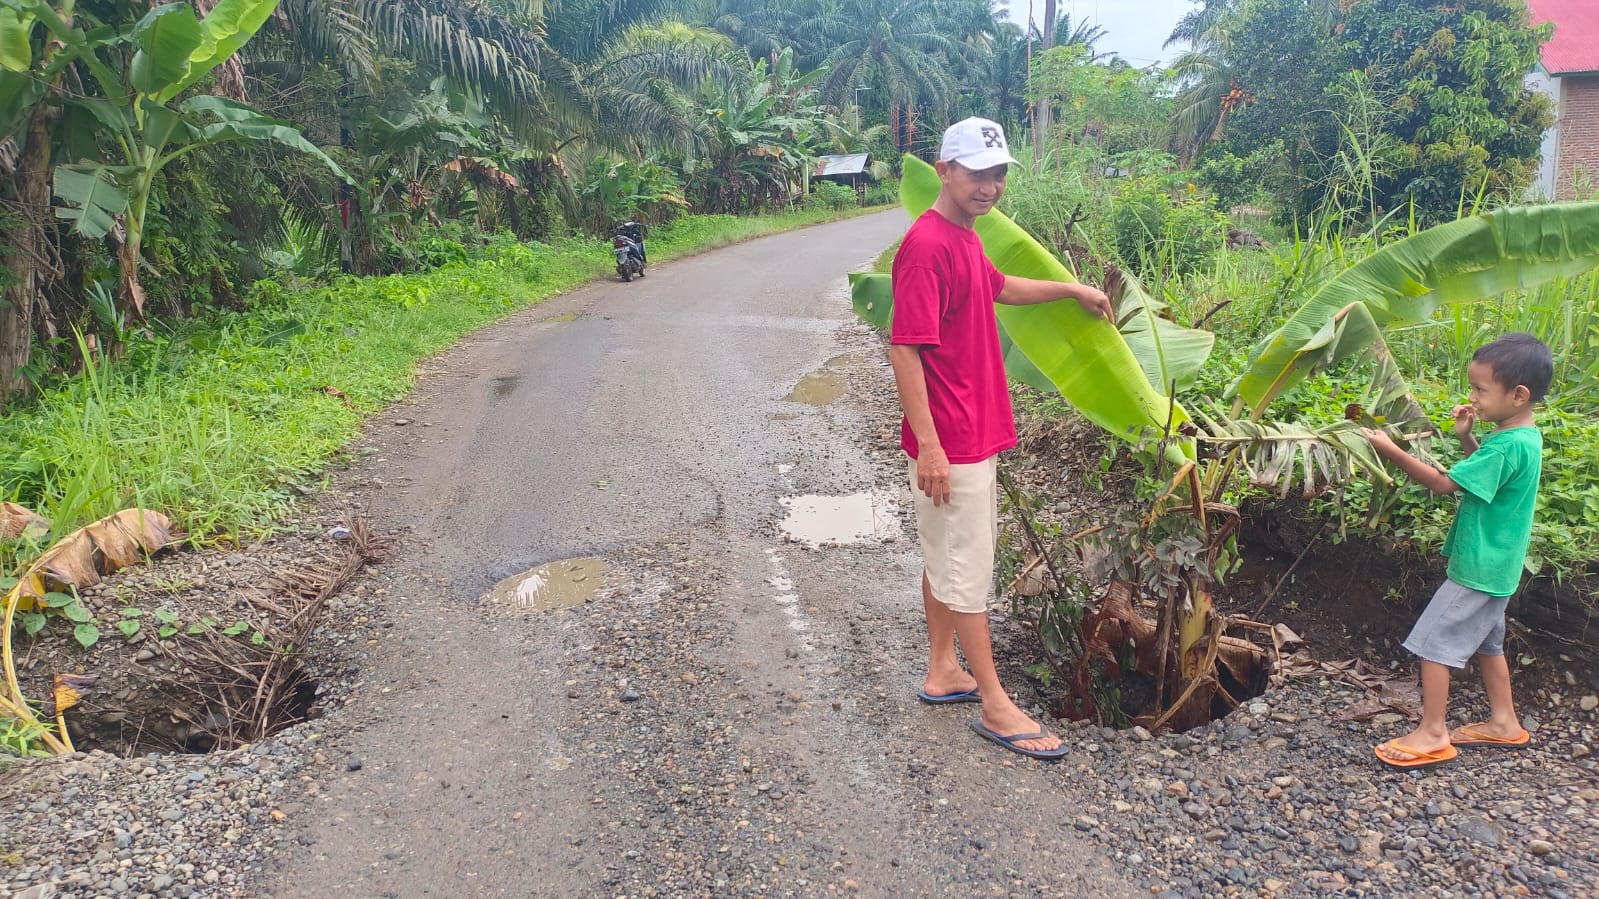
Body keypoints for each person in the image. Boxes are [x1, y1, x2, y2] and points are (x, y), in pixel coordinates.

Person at [889, 117, 1113, 761]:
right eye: (977, 173)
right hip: (950, 441)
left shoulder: (963, 238)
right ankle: (994, 702)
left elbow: (1000, 287)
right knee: (968, 571)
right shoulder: (927, 246)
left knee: (947, 557)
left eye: (998, 174)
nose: (990, 186)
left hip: (966, 434)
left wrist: (1070, 289)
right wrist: (931, 445)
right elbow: (905, 350)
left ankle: (943, 669)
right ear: (945, 171)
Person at [1362, 333, 1552, 769]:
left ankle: (1432, 732)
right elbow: (1483, 478)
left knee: (1434, 644)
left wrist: (1389, 449)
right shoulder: (1524, 438)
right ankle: (1505, 722)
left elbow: (1446, 484)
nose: (1472, 398)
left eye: (1481, 390)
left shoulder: (1507, 444)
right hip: (1500, 567)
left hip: (1479, 568)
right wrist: (1467, 438)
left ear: (1518, 395)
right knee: (1489, 645)